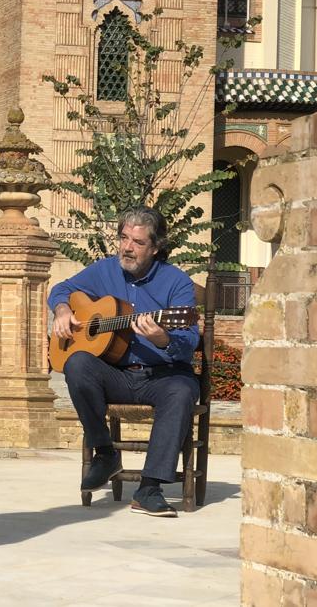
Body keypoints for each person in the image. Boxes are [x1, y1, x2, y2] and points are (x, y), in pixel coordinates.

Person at [49, 207, 201, 518]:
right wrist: (63, 310)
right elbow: (60, 289)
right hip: (115, 375)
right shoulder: (103, 271)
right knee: (76, 363)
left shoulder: (177, 283)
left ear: (155, 248)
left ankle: (149, 489)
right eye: (123, 238)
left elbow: (188, 341)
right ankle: (105, 454)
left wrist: (162, 338)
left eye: (138, 242)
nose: (127, 247)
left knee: (183, 390)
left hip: (162, 376)